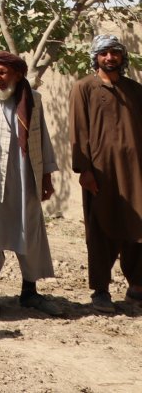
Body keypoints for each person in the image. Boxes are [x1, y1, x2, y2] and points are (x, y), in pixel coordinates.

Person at [0, 50, 59, 316]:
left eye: (2, 73)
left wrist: (47, 176)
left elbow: (43, 140)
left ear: (17, 74)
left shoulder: (33, 100)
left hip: (26, 179)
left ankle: (29, 292)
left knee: (29, 233)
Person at [69, 34, 142, 312]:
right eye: (104, 53)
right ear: (96, 57)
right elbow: (78, 132)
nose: (110, 57)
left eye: (115, 52)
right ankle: (101, 291)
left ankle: (137, 286)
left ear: (122, 57)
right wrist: (84, 169)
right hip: (100, 173)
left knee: (137, 227)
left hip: (135, 172)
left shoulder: (135, 90)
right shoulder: (84, 88)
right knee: (100, 228)